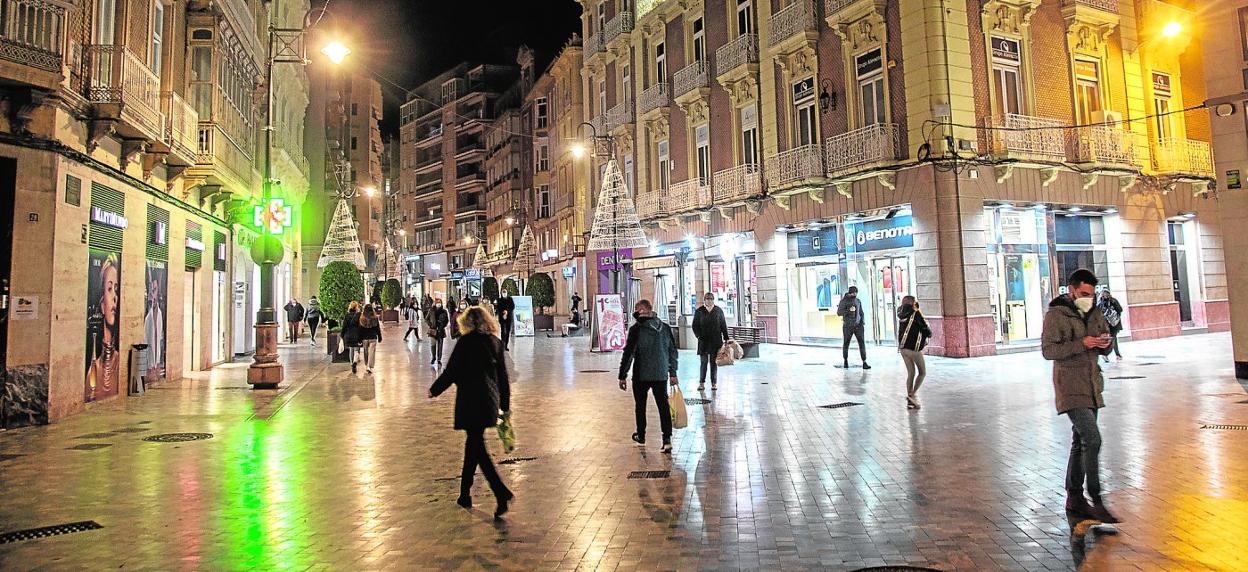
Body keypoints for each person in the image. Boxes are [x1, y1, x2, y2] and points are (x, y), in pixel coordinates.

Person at [1041, 268, 1120, 524]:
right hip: (1070, 386)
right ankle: (1096, 499)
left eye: (1092, 294)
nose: (1089, 297)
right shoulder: (1056, 315)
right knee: (1092, 439)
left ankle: (1074, 497)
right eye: (1084, 293)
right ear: (1072, 290)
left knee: (1080, 441)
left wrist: (1105, 343)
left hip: (1091, 385)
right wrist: (1081, 344)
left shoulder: (1095, 312)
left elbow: (1104, 339)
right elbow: (1048, 351)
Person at [429, 304, 514, 519]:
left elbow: (452, 372)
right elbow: (503, 377)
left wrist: (435, 390)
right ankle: (464, 494)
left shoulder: (465, 343)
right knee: (473, 446)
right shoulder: (495, 343)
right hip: (489, 402)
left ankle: (501, 492)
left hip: (469, 401)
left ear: (466, 322)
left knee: (478, 449)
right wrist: (505, 406)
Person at [617, 299, 679, 453]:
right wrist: (672, 373)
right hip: (660, 373)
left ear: (643, 310)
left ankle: (641, 435)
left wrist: (622, 375)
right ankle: (667, 439)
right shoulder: (664, 327)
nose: (635, 313)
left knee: (640, 406)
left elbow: (629, 353)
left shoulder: (636, 329)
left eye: (637, 310)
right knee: (663, 407)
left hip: (641, 374)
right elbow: (672, 351)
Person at [896, 295, 932, 410]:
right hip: (913, 348)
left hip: (903, 348)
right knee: (922, 372)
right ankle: (912, 395)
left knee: (911, 373)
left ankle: (910, 402)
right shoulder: (916, 313)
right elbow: (926, 331)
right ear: (913, 303)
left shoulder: (899, 312)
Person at [691, 292, 729, 391]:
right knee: (703, 363)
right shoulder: (699, 311)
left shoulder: (718, 311)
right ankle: (701, 383)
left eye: (711, 298)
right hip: (703, 341)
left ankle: (714, 383)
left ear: (713, 300)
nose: (709, 300)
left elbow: (723, 325)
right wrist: (698, 336)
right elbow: (695, 325)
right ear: (704, 300)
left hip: (715, 341)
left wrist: (726, 338)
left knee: (713, 363)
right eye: (707, 298)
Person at [836, 286, 870, 369]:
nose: (855, 294)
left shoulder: (858, 301)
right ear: (850, 293)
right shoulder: (843, 301)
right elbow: (839, 312)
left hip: (858, 326)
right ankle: (845, 361)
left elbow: (861, 312)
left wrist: (862, 322)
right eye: (853, 293)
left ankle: (864, 362)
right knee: (846, 343)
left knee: (861, 343)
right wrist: (848, 310)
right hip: (848, 326)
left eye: (856, 293)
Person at [1098, 288, 1124, 362]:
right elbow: (1120, 309)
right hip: (1110, 324)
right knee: (1111, 339)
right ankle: (1112, 355)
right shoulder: (1106, 301)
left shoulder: (1107, 301)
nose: (1105, 295)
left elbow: (1120, 309)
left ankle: (1111, 354)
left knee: (1111, 338)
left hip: (1110, 324)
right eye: (1104, 294)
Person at [357, 304, 383, 374]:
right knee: (372, 352)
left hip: (365, 338)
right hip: (373, 337)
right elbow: (377, 328)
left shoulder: (362, 318)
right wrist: (379, 337)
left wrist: (359, 339)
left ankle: (367, 365)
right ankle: (369, 366)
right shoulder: (375, 318)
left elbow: (360, 330)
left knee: (366, 352)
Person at [425, 297, 450, 366]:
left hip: (441, 330)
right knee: (433, 345)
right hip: (433, 330)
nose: (438, 304)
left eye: (439, 302)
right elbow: (426, 319)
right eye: (437, 302)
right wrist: (430, 324)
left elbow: (447, 320)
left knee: (440, 345)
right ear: (435, 303)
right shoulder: (431, 310)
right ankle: (433, 357)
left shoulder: (444, 311)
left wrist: (443, 326)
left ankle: (439, 359)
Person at [341, 301, 363, 373]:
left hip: (349, 334)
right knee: (356, 350)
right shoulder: (359, 315)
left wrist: (342, 335)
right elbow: (361, 326)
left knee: (351, 349)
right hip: (357, 334)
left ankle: (351, 364)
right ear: (356, 307)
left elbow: (344, 326)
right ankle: (355, 362)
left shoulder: (347, 315)